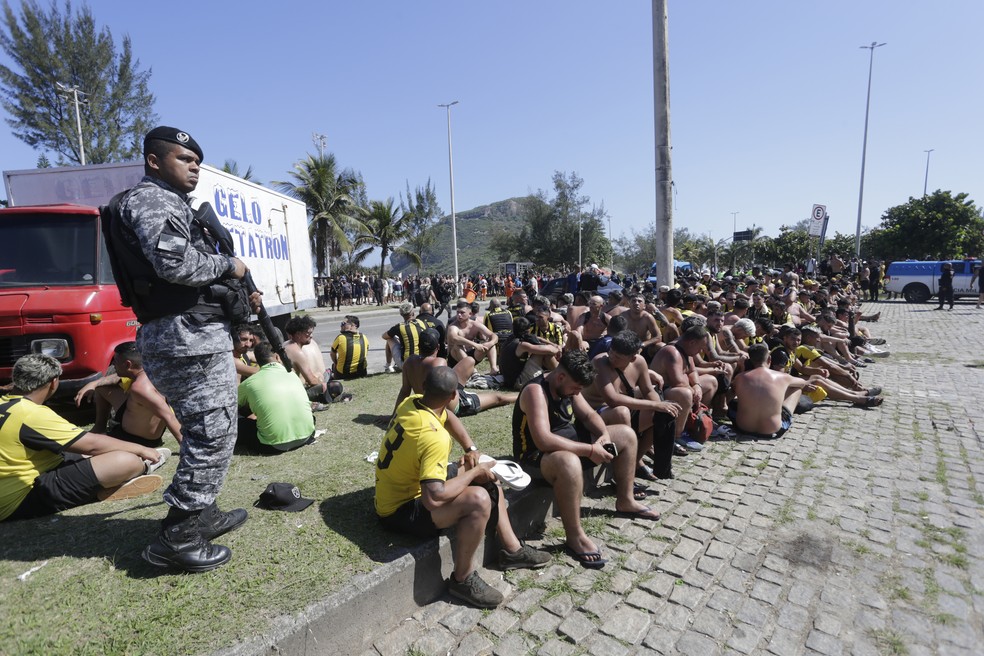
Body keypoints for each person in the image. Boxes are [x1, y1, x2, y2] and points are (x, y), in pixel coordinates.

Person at [110, 126, 250, 572]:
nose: (195, 168)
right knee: (212, 432)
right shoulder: (153, 201)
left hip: (190, 334)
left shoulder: (170, 203)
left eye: (197, 162)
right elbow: (175, 263)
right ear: (154, 161)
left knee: (211, 428)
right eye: (184, 160)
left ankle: (202, 510)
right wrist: (230, 265)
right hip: (184, 337)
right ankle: (179, 534)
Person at [375, 366, 550, 608]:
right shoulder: (434, 436)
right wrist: (474, 472)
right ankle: (463, 579)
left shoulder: (414, 401)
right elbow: (433, 499)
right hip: (399, 510)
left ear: (425, 386)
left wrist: (471, 450)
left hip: (400, 490)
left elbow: (448, 417)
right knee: (478, 499)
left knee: (488, 471)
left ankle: (512, 549)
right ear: (453, 396)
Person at [513, 351, 659, 569]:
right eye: (575, 388)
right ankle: (575, 536)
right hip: (535, 457)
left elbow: (589, 415)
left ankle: (625, 500)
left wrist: (604, 435)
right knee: (569, 462)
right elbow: (543, 440)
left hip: (571, 444)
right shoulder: (536, 391)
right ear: (561, 377)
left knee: (626, 435)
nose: (577, 393)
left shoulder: (569, 385)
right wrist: (590, 449)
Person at [2, 354, 169, 523]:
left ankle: (111, 481)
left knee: (95, 453)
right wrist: (141, 449)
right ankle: (136, 469)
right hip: (17, 499)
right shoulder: (30, 413)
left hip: (26, 475)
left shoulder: (5, 403)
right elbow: (92, 445)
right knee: (126, 460)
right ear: (54, 382)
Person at [581, 331, 680, 481]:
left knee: (663, 414)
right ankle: (624, 470)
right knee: (621, 412)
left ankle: (636, 461)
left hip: (627, 409)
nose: (612, 358)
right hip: (597, 413)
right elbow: (612, 399)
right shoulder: (600, 362)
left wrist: (659, 407)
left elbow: (648, 390)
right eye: (611, 353)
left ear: (632, 358)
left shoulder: (639, 362)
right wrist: (655, 404)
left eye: (618, 357)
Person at [74, 341, 183, 448]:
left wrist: (188, 450)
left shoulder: (141, 388)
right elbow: (117, 377)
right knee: (102, 388)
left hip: (134, 440)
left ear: (127, 364)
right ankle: (99, 428)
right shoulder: (151, 371)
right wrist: (94, 383)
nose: (113, 365)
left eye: (115, 361)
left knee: (82, 446)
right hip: (133, 425)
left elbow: (169, 417)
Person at [393, 329, 517, 418]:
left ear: (418, 346)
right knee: (498, 398)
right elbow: (444, 398)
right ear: (437, 347)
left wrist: (394, 415)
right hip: (451, 404)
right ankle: (520, 397)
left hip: (441, 395)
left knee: (469, 360)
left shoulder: (409, 361)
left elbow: (404, 391)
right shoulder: (439, 362)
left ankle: (466, 387)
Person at [237, 343, 316, 454]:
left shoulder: (249, 383)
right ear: (278, 357)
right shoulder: (293, 375)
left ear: (258, 362)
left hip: (273, 446)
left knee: (239, 424)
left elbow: (234, 405)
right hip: (307, 435)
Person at [729, 344, 810, 438]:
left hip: (743, 428)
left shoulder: (740, 377)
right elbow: (803, 383)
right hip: (772, 430)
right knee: (797, 389)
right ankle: (778, 410)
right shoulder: (782, 377)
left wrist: (742, 369)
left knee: (737, 397)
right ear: (769, 359)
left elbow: (734, 390)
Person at [284, 315, 335, 408]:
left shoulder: (288, 345)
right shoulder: (297, 352)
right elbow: (311, 380)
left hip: (289, 391)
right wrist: (323, 385)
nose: (311, 336)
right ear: (298, 334)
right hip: (293, 394)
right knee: (335, 387)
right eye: (308, 333)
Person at [383, 302, 427, 372]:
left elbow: (384, 336)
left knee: (390, 338)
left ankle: (388, 366)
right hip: (422, 361)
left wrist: (394, 331)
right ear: (413, 313)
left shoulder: (399, 327)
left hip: (406, 364)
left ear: (401, 314)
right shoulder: (421, 322)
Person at [331, 315, 369, 380]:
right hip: (361, 372)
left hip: (344, 374)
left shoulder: (341, 338)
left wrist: (336, 363)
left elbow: (332, 354)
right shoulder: (364, 337)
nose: (341, 325)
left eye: (343, 324)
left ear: (352, 326)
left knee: (334, 365)